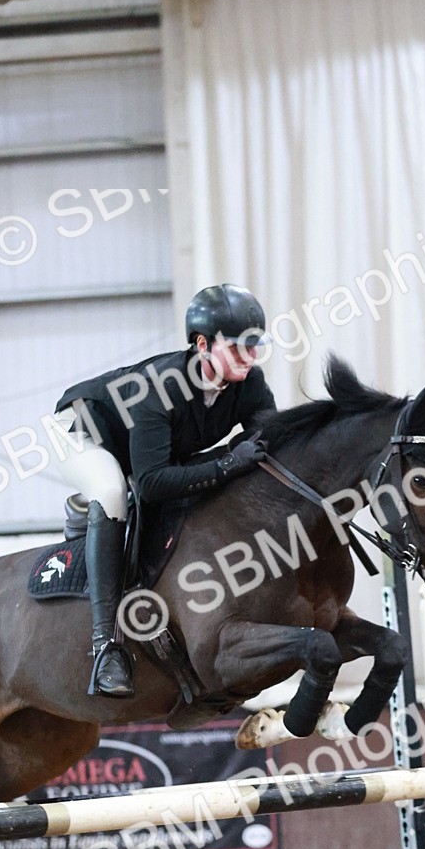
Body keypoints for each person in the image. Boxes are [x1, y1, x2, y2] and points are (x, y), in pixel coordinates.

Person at [54, 283, 275, 698]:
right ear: (203, 345)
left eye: (254, 346)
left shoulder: (250, 384)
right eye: (237, 347)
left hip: (141, 448)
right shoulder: (160, 387)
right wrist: (227, 464)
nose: (249, 357)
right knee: (112, 490)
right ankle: (106, 648)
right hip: (80, 429)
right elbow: (153, 484)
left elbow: (270, 444)